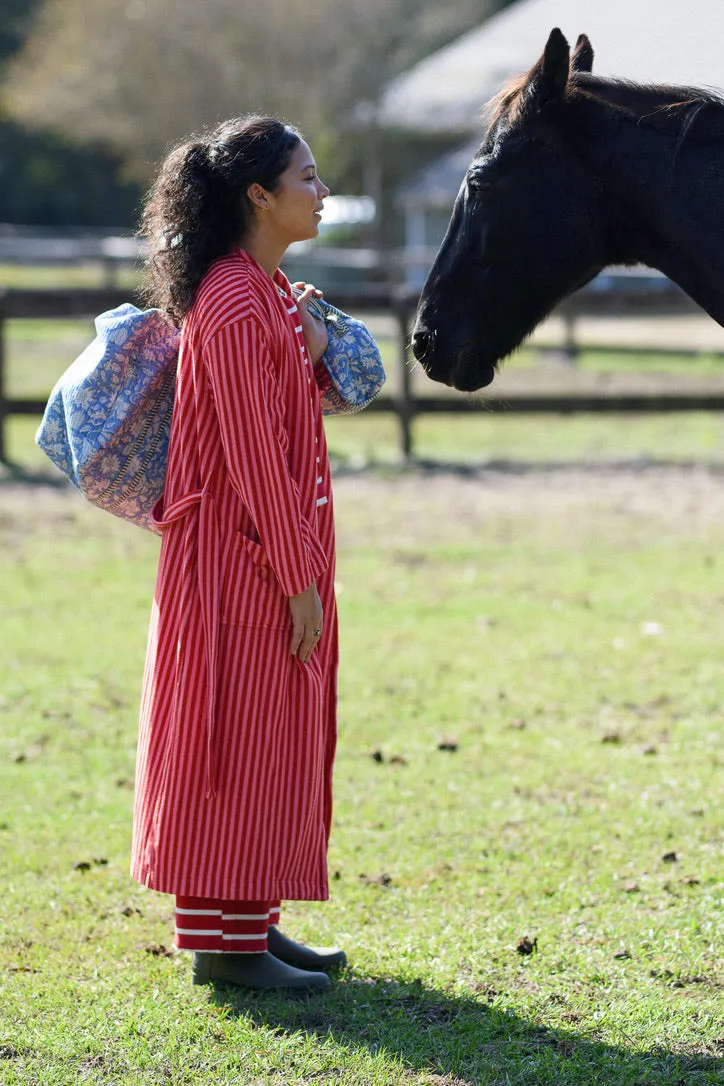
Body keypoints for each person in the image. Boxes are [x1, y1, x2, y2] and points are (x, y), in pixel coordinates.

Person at [131, 115, 344, 993]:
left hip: (263, 550)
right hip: (237, 559)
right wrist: (297, 578)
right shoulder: (230, 298)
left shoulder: (264, 291)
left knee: (270, 734)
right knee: (231, 735)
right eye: (307, 176)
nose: (320, 190)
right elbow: (253, 450)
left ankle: (252, 924)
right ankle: (223, 947)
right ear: (259, 195)